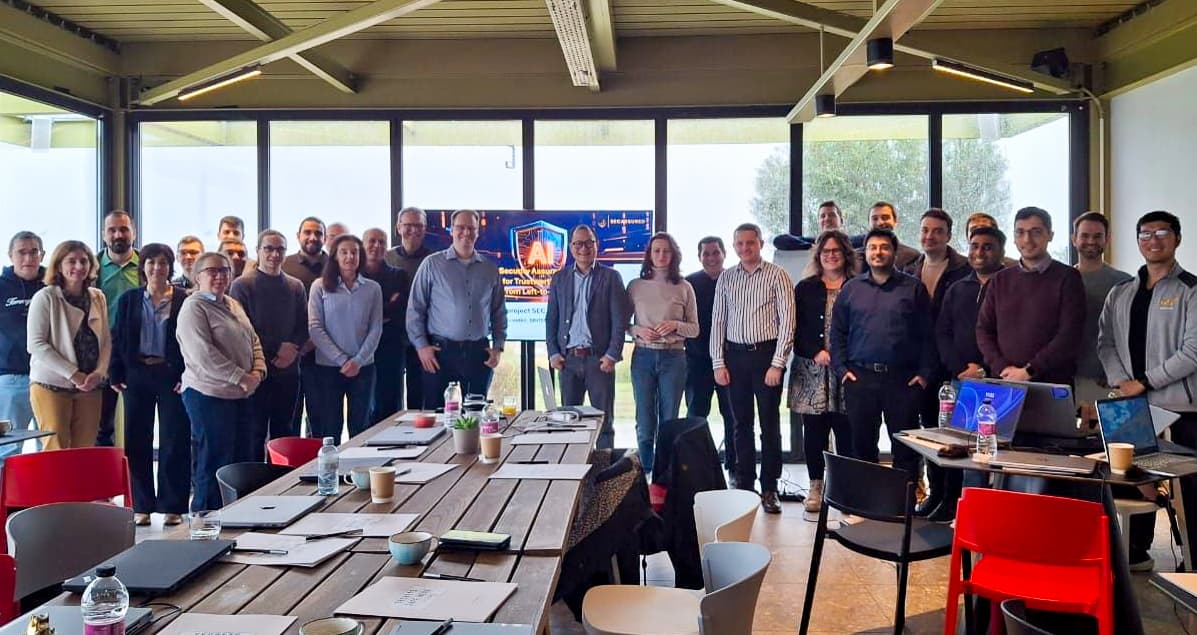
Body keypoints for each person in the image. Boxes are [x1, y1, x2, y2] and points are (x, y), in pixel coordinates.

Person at [1098, 210, 1195, 572]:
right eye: (1145, 234)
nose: (1153, 240)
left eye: (1162, 232)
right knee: (1132, 482)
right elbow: (1105, 343)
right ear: (1137, 241)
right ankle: (1136, 551)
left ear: (1177, 239)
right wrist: (1123, 382)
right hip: (1129, 404)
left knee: (1190, 490)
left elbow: (1193, 351)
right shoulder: (1121, 292)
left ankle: (1192, 561)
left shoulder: (1191, 290)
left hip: (1182, 406)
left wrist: (1145, 381)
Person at [830, 229, 935, 479]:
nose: (878, 252)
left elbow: (929, 336)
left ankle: (903, 507)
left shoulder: (913, 289)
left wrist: (923, 374)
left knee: (905, 449)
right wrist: (842, 370)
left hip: (902, 381)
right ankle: (866, 504)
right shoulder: (851, 289)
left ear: (894, 252)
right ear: (865, 253)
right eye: (872, 247)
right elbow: (837, 334)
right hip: (860, 378)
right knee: (863, 446)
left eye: (884, 247)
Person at [711, 223, 795, 513]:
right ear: (734, 247)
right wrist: (718, 362)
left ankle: (769, 487)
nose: (745, 248)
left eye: (751, 242)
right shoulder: (726, 278)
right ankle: (744, 486)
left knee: (769, 425)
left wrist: (777, 363)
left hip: (766, 356)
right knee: (740, 425)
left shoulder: (777, 275)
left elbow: (788, 322)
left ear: (760, 243)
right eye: (740, 244)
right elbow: (718, 322)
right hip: (734, 357)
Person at [176, 251, 265, 513]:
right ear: (197, 276)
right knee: (214, 461)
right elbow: (203, 355)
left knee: (240, 462)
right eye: (212, 271)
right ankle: (205, 521)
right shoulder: (193, 307)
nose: (219, 276)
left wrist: (258, 373)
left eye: (225, 270)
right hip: (208, 395)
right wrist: (241, 377)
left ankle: (236, 517)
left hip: (242, 394)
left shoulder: (232, 304)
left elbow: (253, 340)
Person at [930, 226, 1008, 521]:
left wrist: (986, 368)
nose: (979, 252)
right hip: (961, 381)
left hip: (999, 381)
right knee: (960, 449)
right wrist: (960, 370)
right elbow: (942, 332)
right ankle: (962, 510)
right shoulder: (958, 288)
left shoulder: (1009, 285)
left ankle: (993, 515)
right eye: (974, 246)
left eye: (987, 247)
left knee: (995, 452)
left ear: (1000, 250)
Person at [109, 243, 189, 527]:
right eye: (151, 262)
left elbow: (190, 342)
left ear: (171, 266)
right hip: (137, 374)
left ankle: (173, 506)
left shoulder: (183, 299)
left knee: (175, 439)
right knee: (135, 439)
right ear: (143, 267)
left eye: (163, 263)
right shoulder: (130, 299)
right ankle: (141, 505)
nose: (157, 268)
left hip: (171, 376)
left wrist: (186, 375)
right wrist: (115, 372)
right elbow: (117, 338)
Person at [902, 209, 970, 517]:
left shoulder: (963, 270)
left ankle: (952, 498)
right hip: (919, 367)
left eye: (937, 231)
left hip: (951, 366)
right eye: (925, 230)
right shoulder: (909, 268)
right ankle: (934, 494)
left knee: (953, 437)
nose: (930, 236)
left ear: (948, 236)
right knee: (929, 433)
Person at [407, 209, 506, 407]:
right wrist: (421, 347)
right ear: (451, 230)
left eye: (472, 228)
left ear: (478, 232)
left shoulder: (490, 269)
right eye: (461, 227)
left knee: (476, 416)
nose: (466, 233)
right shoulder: (432, 265)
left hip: (479, 353)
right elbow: (415, 309)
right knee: (437, 417)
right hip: (440, 353)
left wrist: (498, 347)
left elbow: (498, 312)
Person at [977, 207, 1085, 386]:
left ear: (1050, 235)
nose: (1027, 239)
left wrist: (1030, 370)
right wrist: (1002, 368)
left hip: (1051, 383)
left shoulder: (1068, 277)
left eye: (1036, 232)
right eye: (1020, 232)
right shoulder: (1000, 279)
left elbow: (1069, 335)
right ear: (1013, 237)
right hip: (1005, 382)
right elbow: (983, 329)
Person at [789, 230, 857, 512]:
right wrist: (815, 351)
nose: (831, 255)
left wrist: (844, 357)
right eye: (826, 251)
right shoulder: (805, 287)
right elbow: (794, 327)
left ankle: (845, 489)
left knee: (846, 431)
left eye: (836, 251)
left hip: (847, 370)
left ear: (845, 255)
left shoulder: (858, 285)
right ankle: (816, 487)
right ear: (818, 256)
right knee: (814, 433)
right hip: (812, 369)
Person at [546, 224, 629, 450]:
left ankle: (604, 476)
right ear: (571, 248)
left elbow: (619, 321)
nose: (584, 248)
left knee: (604, 422)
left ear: (596, 245)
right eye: (578, 243)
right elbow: (551, 319)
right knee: (569, 422)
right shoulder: (559, 278)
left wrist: (612, 354)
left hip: (599, 361)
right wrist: (553, 352)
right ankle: (571, 470)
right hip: (568, 361)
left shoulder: (611, 277)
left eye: (589, 242)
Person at [229, 230, 307, 457]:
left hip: (289, 371)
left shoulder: (295, 286)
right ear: (258, 251)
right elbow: (243, 329)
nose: (274, 254)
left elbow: (303, 324)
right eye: (269, 249)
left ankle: (284, 485)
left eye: (280, 249)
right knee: (255, 432)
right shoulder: (241, 285)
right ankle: (255, 487)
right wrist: (275, 351)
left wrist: (292, 349)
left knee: (286, 433)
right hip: (257, 371)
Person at [627, 232, 698, 475]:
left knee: (669, 420)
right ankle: (645, 473)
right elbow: (624, 325)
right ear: (649, 255)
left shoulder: (684, 287)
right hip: (643, 357)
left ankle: (664, 476)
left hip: (674, 358)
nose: (661, 255)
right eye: (656, 251)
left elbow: (695, 328)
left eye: (666, 251)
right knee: (645, 422)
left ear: (673, 255)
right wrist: (638, 330)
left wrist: (675, 325)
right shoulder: (635, 286)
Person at [27, 241, 110, 450]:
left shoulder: (98, 296)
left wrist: (99, 373)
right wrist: (73, 374)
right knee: (57, 448)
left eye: (84, 261)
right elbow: (36, 344)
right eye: (71, 261)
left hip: (90, 386)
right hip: (51, 385)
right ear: (59, 266)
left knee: (84, 450)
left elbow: (106, 340)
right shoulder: (45, 297)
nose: (79, 266)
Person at [309, 234, 383, 439]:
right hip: (328, 368)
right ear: (335, 256)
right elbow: (315, 328)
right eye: (344, 252)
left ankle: (359, 471)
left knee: (361, 427)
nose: (350, 257)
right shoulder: (319, 286)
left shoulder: (372, 288)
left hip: (363, 367)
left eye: (354, 252)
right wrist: (342, 360)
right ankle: (330, 471)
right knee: (329, 426)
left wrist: (357, 361)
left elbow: (376, 328)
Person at [683, 236, 736, 473]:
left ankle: (735, 465)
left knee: (733, 416)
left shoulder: (735, 279)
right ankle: (694, 466)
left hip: (731, 361)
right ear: (699, 257)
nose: (711, 258)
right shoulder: (689, 283)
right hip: (697, 361)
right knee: (696, 414)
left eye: (716, 252)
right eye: (706, 254)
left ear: (724, 254)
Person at [1072, 211, 1132, 411]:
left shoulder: (1125, 283)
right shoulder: (1061, 280)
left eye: (1097, 236)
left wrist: (1118, 375)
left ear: (1107, 240)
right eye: (1085, 235)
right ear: (1074, 239)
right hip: (1066, 379)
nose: (1091, 241)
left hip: (1106, 381)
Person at [0, 232, 45, 461]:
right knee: (8, 449)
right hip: (11, 379)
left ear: (42, 255)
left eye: (33, 252)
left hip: (49, 380)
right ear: (10, 256)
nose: (28, 258)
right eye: (21, 252)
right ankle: (4, 497)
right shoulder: (1, 287)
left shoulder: (52, 285)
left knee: (48, 448)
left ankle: (46, 498)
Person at [95, 210, 138, 447]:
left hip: (137, 353)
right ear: (104, 235)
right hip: (101, 354)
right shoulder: (91, 267)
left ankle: (132, 482)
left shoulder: (147, 266)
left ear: (133, 232)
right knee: (101, 426)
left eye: (123, 229)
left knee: (136, 424)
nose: (118, 234)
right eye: (112, 230)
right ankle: (104, 482)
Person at [282, 217, 327, 434]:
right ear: (298, 236)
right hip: (291, 353)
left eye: (318, 233)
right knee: (290, 416)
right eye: (307, 232)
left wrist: (315, 340)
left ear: (325, 238)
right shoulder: (284, 265)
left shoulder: (334, 266)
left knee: (320, 419)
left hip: (324, 355)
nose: (312, 237)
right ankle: (291, 468)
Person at [387, 206, 433, 408]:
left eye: (418, 225)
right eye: (408, 225)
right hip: (391, 339)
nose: (413, 230)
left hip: (425, 339)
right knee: (389, 399)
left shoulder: (435, 261)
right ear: (398, 228)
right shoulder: (385, 259)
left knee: (420, 400)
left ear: (425, 229)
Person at [361, 228, 408, 423]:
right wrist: (385, 307)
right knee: (364, 407)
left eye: (382, 242)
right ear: (362, 245)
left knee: (391, 405)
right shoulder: (353, 276)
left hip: (391, 348)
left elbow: (398, 311)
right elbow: (356, 313)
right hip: (360, 349)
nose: (377, 246)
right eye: (372, 241)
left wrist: (371, 313)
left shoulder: (399, 276)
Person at [854, 202, 920, 270]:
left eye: (885, 218)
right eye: (875, 219)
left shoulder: (911, 256)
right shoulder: (855, 257)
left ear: (895, 221)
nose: (880, 223)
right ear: (869, 223)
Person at [773, 201, 845, 251]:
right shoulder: (813, 242)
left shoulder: (849, 242)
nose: (827, 219)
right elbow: (779, 240)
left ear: (841, 221)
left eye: (832, 215)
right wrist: (813, 247)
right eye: (823, 216)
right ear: (819, 222)